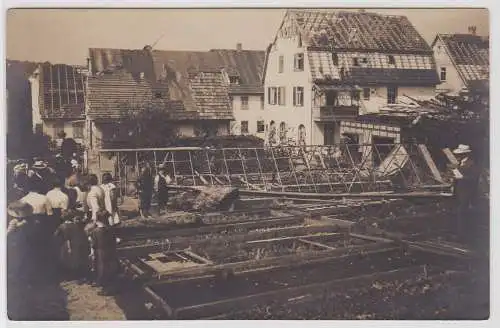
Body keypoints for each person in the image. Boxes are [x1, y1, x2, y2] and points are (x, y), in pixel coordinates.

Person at [451, 144, 480, 243]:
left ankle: (464, 237)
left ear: (466, 154)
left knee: (464, 214)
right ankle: (460, 235)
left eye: (460, 154)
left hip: (468, 193)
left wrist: (462, 178)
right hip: (459, 192)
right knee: (460, 213)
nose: (458, 156)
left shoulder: (472, 164)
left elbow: (474, 178)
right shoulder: (460, 163)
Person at [54, 209, 91, 283]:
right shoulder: (76, 225)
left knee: (66, 259)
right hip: (77, 244)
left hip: (68, 244)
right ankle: (79, 275)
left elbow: (55, 235)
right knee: (77, 259)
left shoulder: (62, 226)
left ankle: (70, 275)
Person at [89, 210, 120, 296]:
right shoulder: (111, 229)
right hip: (111, 250)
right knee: (111, 268)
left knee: (102, 270)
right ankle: (113, 287)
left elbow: (94, 244)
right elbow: (115, 240)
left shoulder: (95, 231)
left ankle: (106, 289)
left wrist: (92, 253)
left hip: (101, 252)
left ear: (98, 219)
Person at [7, 201, 33, 282]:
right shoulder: (26, 221)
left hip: (15, 241)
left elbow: (9, 232)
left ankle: (14, 275)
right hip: (24, 240)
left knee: (15, 258)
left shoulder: (13, 222)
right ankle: (22, 274)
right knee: (22, 257)